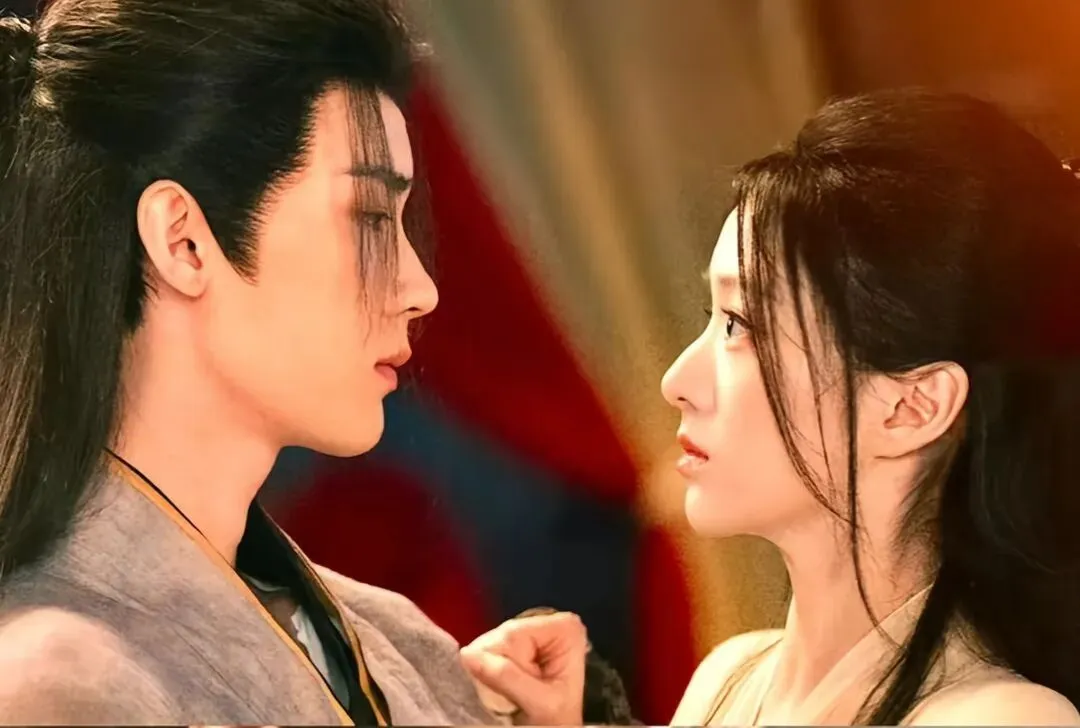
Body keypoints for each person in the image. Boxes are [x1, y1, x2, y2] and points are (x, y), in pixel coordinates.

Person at [459, 89, 1080, 725]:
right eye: (713, 316)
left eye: (740, 324)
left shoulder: (1000, 718)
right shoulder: (728, 680)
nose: (677, 381)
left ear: (912, 407)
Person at [0, 1, 496, 724]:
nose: (419, 288)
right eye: (368, 217)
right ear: (183, 241)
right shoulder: (61, 688)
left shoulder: (398, 643)